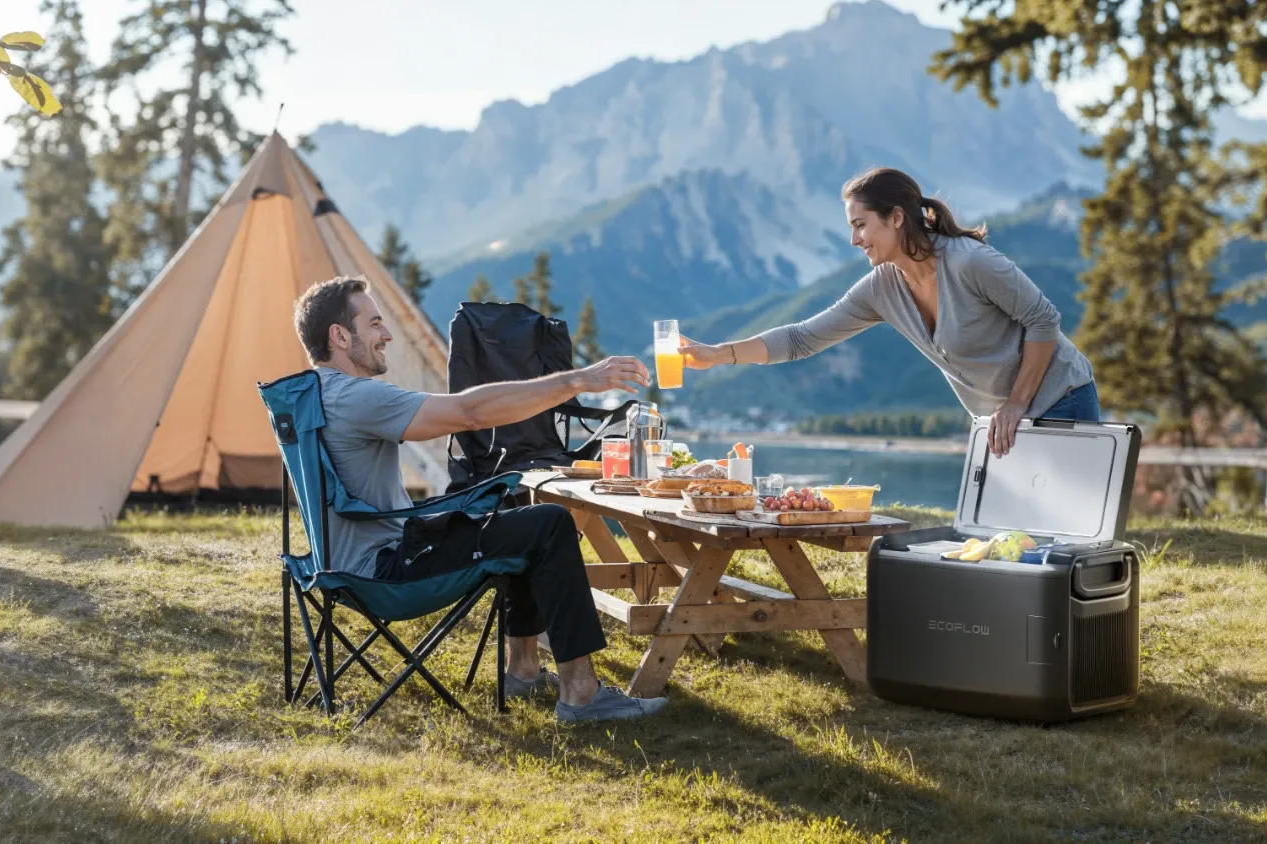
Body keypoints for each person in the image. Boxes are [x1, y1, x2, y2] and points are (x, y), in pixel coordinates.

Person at [292, 276, 665, 722]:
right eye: (374, 324)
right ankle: (582, 693)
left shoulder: (311, 395)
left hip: (338, 566)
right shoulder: (356, 396)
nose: (386, 335)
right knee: (549, 524)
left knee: (512, 514)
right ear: (339, 336)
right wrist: (581, 379)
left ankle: (524, 669)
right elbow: (469, 413)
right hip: (386, 572)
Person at [681, 167, 1099, 456]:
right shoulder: (882, 287)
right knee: (1018, 541)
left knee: (1069, 535)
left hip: (1060, 399)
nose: (854, 239)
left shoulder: (970, 262)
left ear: (896, 217)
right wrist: (718, 354)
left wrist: (1016, 402)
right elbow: (801, 338)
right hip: (1003, 420)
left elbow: (1044, 319)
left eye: (860, 225)